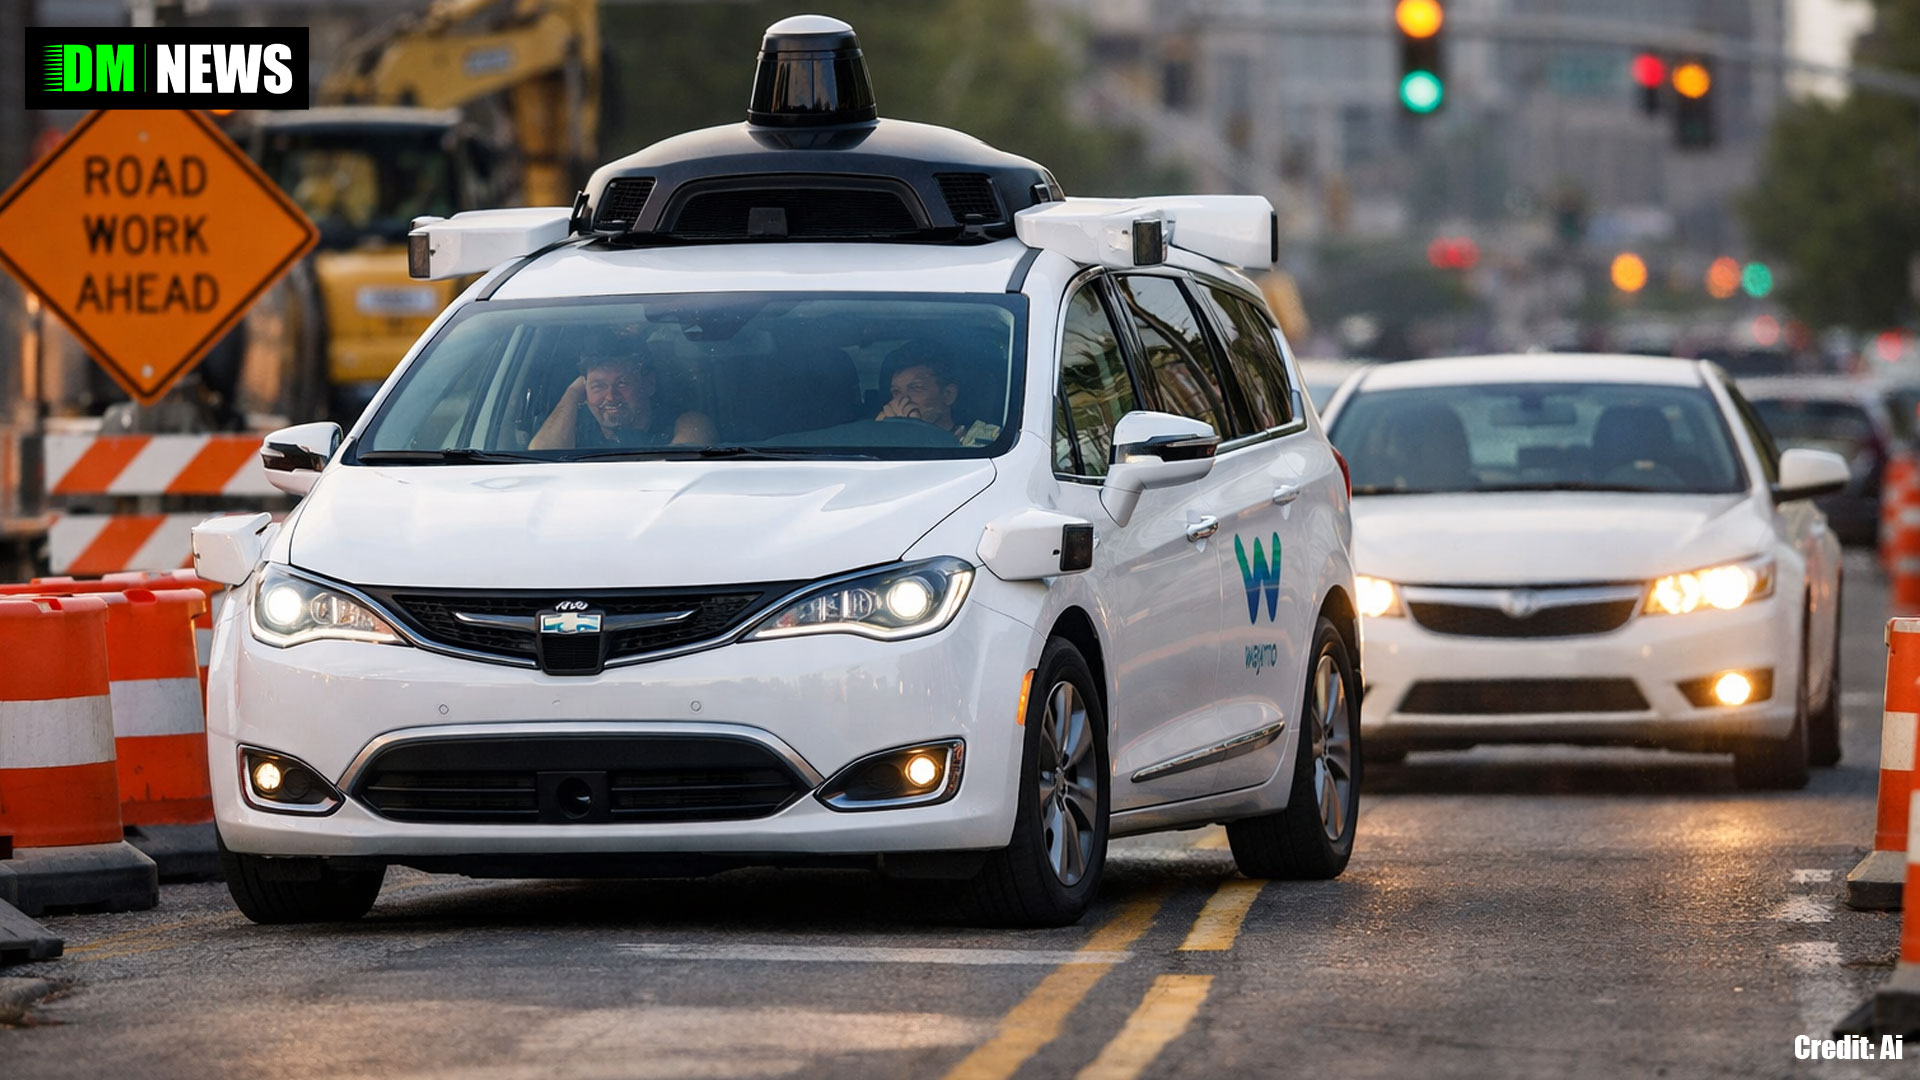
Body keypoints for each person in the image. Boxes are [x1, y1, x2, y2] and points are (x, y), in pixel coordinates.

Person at [530, 342, 715, 450]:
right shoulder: (574, 428)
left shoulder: (685, 423)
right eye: (598, 386)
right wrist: (572, 394)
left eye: (622, 383)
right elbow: (537, 461)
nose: (611, 396)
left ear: (649, 384)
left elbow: (681, 469)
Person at [875, 343, 1002, 447]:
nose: (903, 400)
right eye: (896, 392)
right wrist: (879, 432)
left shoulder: (990, 442)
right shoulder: (875, 441)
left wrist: (913, 432)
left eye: (915, 388)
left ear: (948, 395)